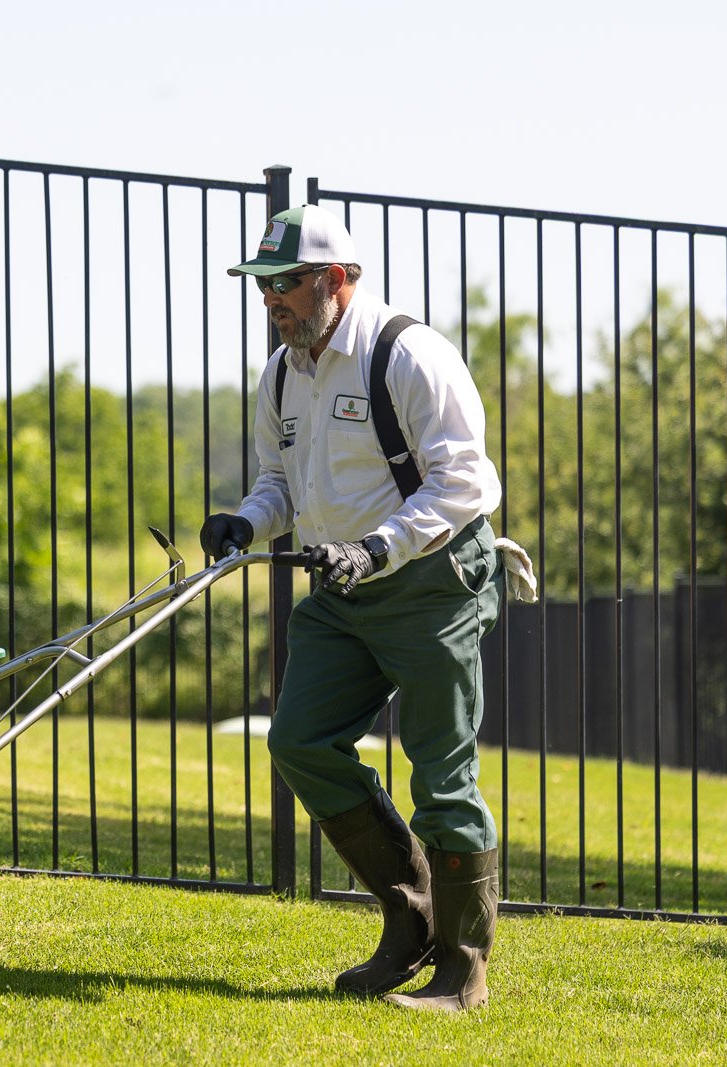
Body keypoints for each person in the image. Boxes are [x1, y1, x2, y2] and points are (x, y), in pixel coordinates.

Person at [203, 203, 510, 1012]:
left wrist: (377, 547)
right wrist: (247, 519)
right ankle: (410, 917)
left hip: (432, 584)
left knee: (442, 772)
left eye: (285, 283)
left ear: (336, 279)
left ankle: (463, 967)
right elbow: (283, 482)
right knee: (301, 739)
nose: (270, 299)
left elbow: (465, 483)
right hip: (341, 592)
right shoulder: (283, 371)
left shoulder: (406, 353)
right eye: (262, 284)